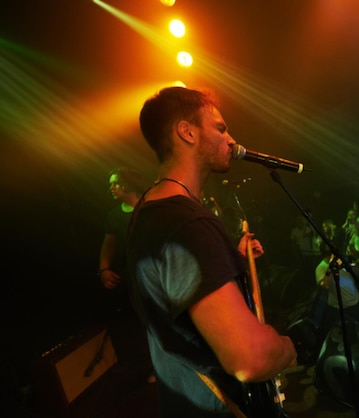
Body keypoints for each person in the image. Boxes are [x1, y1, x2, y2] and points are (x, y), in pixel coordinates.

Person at [127, 86, 297, 417]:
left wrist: (230, 258)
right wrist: (287, 348)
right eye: (220, 128)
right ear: (186, 132)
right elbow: (251, 358)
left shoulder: (149, 212)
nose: (231, 140)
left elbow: (179, 308)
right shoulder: (185, 223)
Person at [97, 166, 153, 380]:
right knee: (147, 324)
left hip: (162, 272)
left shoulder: (150, 204)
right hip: (136, 280)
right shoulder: (114, 215)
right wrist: (103, 269)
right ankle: (157, 367)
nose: (110, 187)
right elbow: (108, 245)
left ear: (128, 182)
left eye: (114, 182)